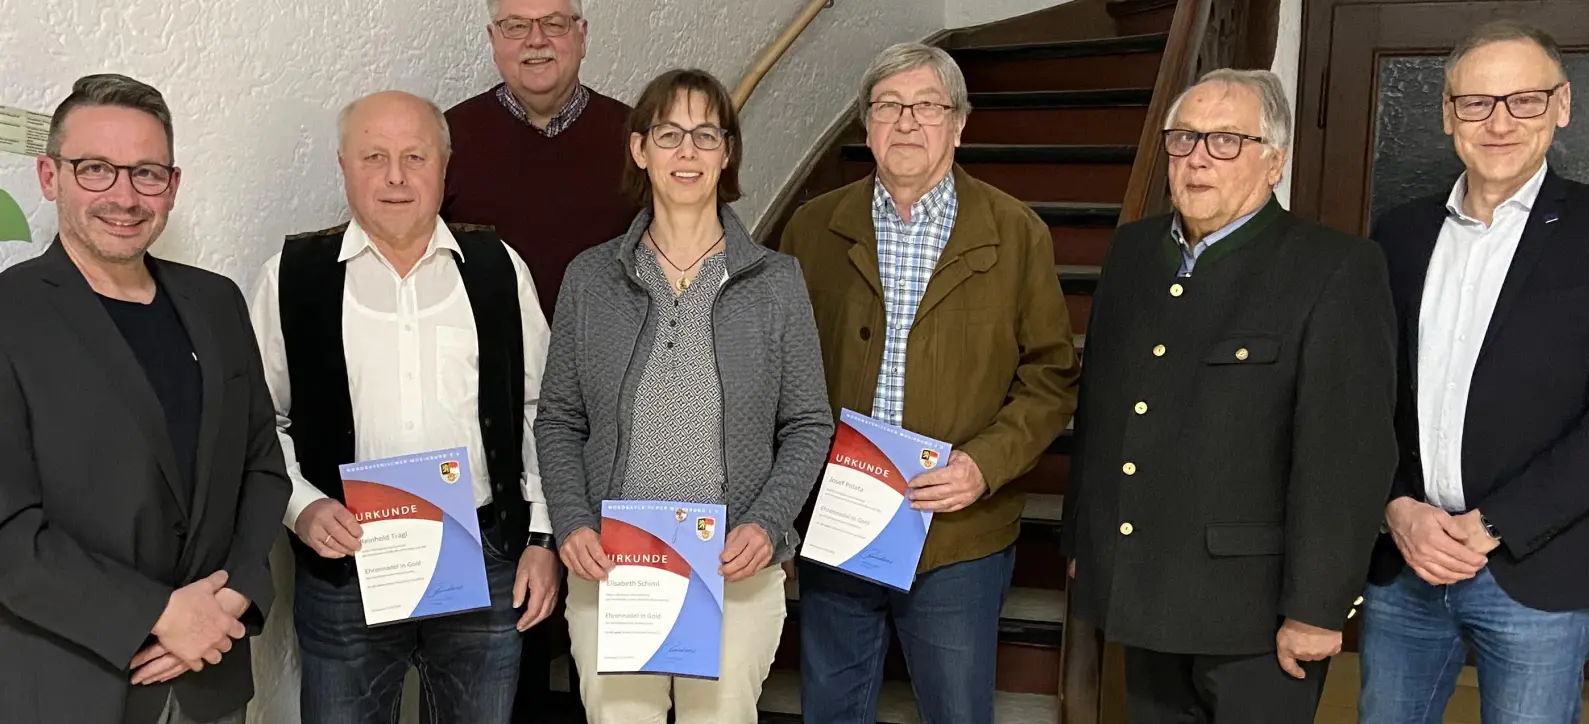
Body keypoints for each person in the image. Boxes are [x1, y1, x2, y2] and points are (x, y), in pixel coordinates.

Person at [1063, 68, 1398, 724]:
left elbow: (1345, 459)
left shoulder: (1333, 268)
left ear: (1275, 161)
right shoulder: (1134, 252)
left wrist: (1316, 608)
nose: (1197, 160)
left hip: (1256, 612)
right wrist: (1083, 539)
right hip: (1144, 584)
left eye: (1225, 142)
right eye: (1184, 139)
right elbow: (1101, 409)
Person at [779, 42, 1080, 724]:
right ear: (866, 126)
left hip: (957, 530)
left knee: (956, 711)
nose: (907, 122)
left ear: (960, 123)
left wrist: (984, 465)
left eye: (927, 106)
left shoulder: (1016, 233)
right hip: (842, 521)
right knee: (831, 708)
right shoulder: (813, 227)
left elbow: (1051, 376)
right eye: (888, 106)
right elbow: (781, 369)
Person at [247, 91, 558, 724]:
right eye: (374, 156)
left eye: (414, 156)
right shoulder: (292, 277)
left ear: (445, 168)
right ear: (343, 166)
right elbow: (258, 424)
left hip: (487, 559)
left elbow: (542, 411)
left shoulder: (499, 269)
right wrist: (301, 510)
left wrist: (543, 537)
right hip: (345, 565)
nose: (395, 175)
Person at [535, 68, 834, 724]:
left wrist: (767, 524)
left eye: (706, 134)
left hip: (734, 569)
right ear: (641, 151)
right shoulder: (592, 277)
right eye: (669, 134)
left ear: (727, 153)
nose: (688, 152)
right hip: (615, 568)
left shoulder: (775, 281)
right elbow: (557, 417)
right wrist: (572, 522)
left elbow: (810, 423)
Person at [0, 74, 290, 724]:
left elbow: (261, 467)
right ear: (51, 176)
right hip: (70, 686)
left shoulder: (215, 303)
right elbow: (8, 531)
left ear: (173, 184)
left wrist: (235, 595)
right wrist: (159, 615)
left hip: (211, 677)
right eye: (96, 169)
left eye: (147, 173)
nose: (124, 197)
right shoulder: (8, 315)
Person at [1360, 21, 1589, 724]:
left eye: (1523, 101)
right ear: (1446, 115)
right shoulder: (1398, 235)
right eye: (1476, 103)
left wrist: (1494, 524)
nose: (1499, 123)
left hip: (1537, 573)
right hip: (1405, 564)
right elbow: (1365, 392)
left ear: (1562, 106)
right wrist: (1396, 505)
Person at [442, 0, 638, 325]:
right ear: (493, 40)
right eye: (516, 26)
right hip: (490, 368)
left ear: (582, 36)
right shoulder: (446, 139)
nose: (536, 40)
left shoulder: (637, 137)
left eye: (554, 24)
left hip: (609, 365)